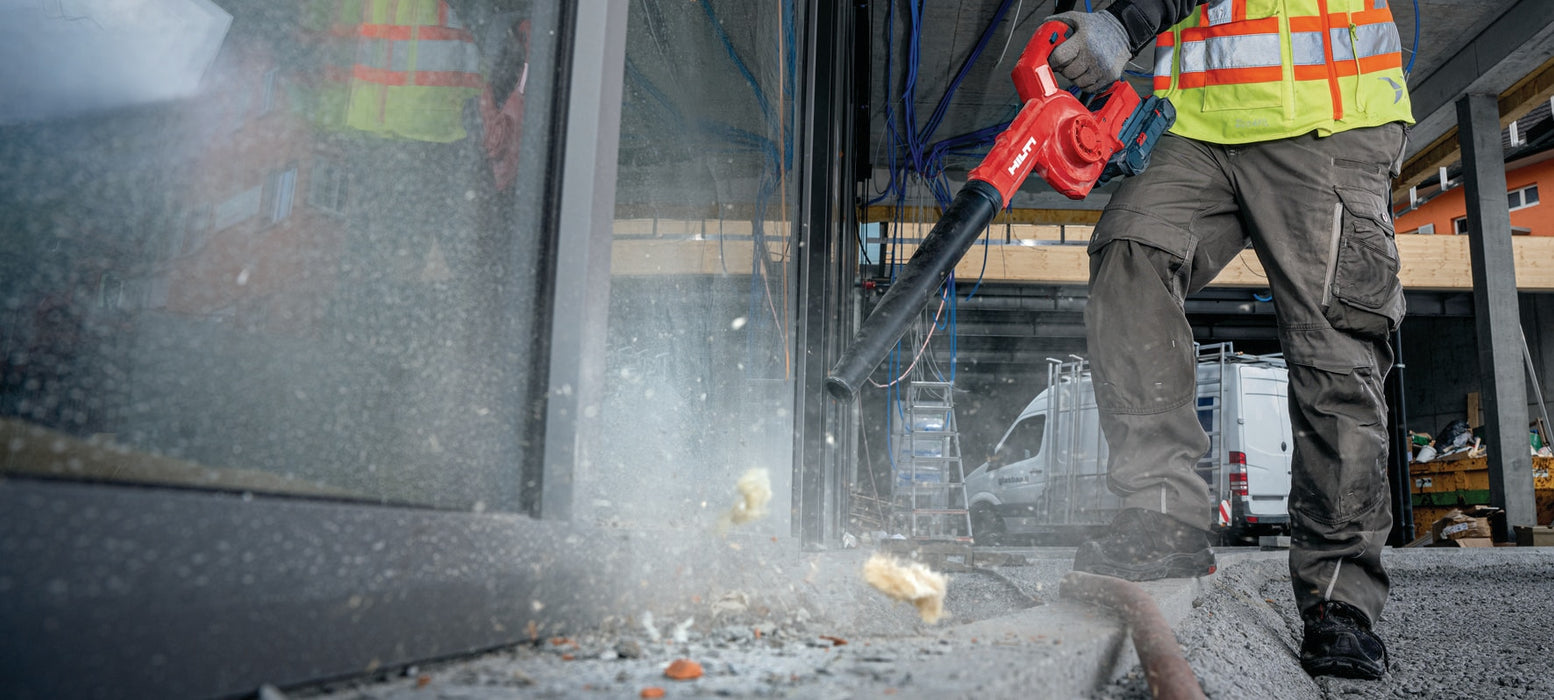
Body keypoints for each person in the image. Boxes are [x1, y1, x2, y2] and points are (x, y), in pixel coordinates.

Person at [1042, 0, 1413, 681]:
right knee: (1131, 250)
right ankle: (1162, 512)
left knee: (1334, 352)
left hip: (1329, 121)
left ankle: (1338, 597)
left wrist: (1127, 22)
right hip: (1196, 126)